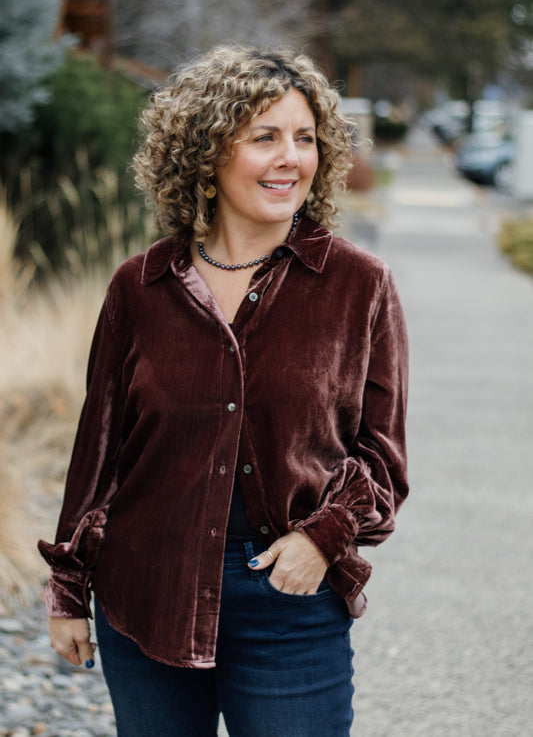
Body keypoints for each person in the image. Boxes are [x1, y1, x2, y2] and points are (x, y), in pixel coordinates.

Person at [39, 43, 409, 737]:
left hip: (288, 601)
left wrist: (322, 540)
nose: (290, 158)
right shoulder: (139, 287)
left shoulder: (359, 285)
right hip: (147, 593)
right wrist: (67, 590)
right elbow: (99, 453)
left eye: (305, 139)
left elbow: (383, 459)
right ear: (206, 153)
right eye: (264, 137)